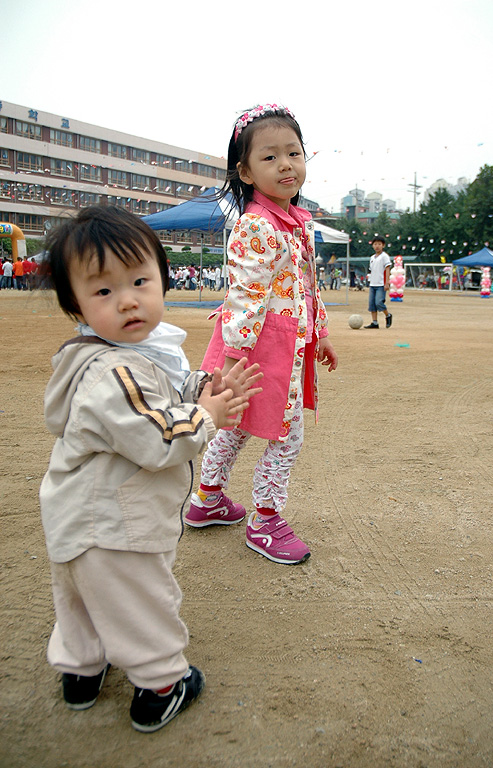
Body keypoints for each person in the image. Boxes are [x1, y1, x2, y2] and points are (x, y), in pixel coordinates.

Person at [39, 205, 262, 732]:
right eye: (103, 291)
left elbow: (160, 392)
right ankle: (162, 684)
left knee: (83, 601)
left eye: (140, 280)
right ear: (76, 303)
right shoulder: (111, 370)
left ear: (162, 278)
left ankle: (80, 671)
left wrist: (201, 390)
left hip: (78, 521)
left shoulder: (124, 354)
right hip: (118, 525)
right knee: (142, 602)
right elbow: (157, 435)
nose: (129, 299)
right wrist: (207, 416)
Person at [185, 104, 338, 565]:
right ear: (245, 172)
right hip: (257, 350)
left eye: (293, 152)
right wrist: (232, 362)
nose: (286, 164)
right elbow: (244, 298)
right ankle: (265, 520)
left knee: (239, 425)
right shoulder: (257, 224)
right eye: (269, 157)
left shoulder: (298, 222)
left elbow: (308, 283)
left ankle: (207, 499)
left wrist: (323, 332)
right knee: (282, 434)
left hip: (287, 344)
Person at [364, 235, 392, 329]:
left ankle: (388, 315)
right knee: (372, 304)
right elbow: (371, 270)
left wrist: (387, 282)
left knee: (379, 302)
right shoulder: (372, 258)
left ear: (383, 245)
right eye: (375, 244)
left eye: (379, 244)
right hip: (373, 284)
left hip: (381, 284)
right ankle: (375, 322)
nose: (377, 246)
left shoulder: (385, 256)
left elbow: (387, 269)